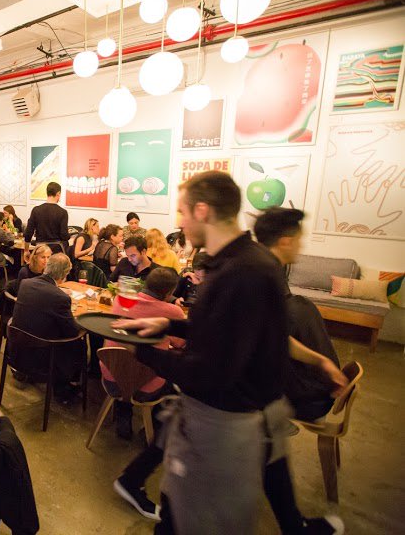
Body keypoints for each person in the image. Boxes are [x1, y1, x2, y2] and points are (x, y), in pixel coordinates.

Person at [112, 171, 303, 534]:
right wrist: (168, 325)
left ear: (202, 211)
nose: (180, 222)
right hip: (218, 424)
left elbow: (208, 373)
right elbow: (222, 333)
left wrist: (143, 351)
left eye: (182, 212)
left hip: (221, 431)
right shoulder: (240, 263)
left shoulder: (241, 273)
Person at [253, 207, 342, 422]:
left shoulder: (268, 275)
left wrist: (321, 361)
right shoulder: (265, 277)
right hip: (314, 396)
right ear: (285, 242)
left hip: (306, 400)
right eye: (299, 239)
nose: (301, 246)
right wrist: (322, 361)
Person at [104, 267, 185, 445]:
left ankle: (123, 413)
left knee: (127, 366)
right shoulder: (173, 312)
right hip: (146, 389)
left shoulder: (120, 300)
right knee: (174, 379)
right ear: (170, 292)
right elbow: (180, 344)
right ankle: (154, 428)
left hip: (112, 379)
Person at [10, 253, 84, 402]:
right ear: (64, 274)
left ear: (47, 267)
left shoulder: (26, 284)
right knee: (79, 343)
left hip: (16, 350)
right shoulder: (60, 298)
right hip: (41, 358)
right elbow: (72, 331)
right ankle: (65, 388)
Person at [23, 182, 68, 253]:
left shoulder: (36, 210)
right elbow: (64, 235)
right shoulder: (63, 212)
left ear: (47, 192)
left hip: (40, 248)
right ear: (58, 193)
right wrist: (69, 236)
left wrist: (26, 250)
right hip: (56, 250)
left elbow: (28, 232)